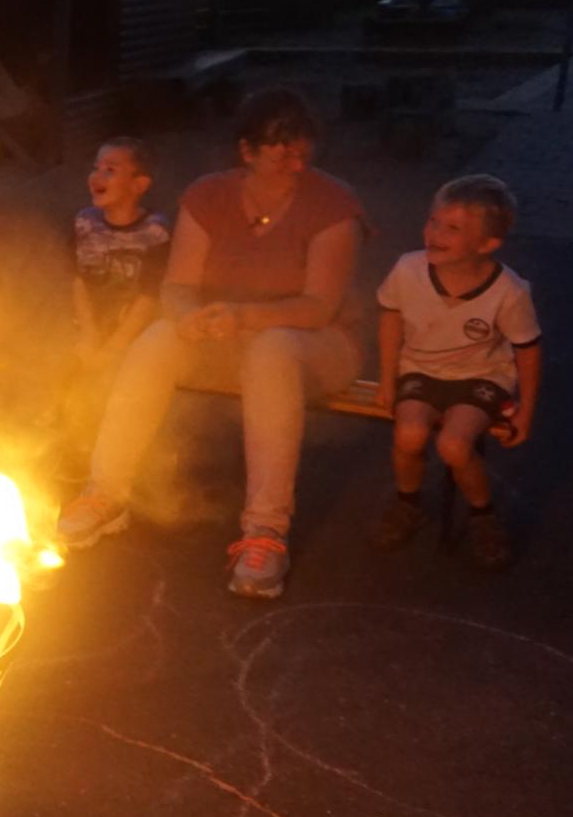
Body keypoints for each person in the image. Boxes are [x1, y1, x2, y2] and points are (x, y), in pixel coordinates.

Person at [54, 89, 367, 600]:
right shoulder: (208, 197)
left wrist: (245, 316)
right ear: (247, 151)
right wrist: (187, 318)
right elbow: (177, 287)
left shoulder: (332, 206)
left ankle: (265, 531)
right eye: (280, 148)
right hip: (229, 336)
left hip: (318, 347)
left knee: (273, 350)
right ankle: (104, 494)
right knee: (159, 338)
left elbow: (320, 307)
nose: (296, 158)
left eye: (301, 145)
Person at [370, 175, 541, 569]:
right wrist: (386, 378)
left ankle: (483, 516)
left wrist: (527, 411)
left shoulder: (509, 291)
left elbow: (528, 350)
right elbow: (391, 316)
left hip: (481, 377)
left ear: (486, 244)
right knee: (409, 433)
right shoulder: (408, 269)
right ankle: (407, 502)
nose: (435, 234)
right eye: (433, 222)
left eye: (452, 228)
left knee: (453, 444)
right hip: (421, 368)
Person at [59, 137, 170, 480]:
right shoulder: (84, 224)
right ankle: (74, 445)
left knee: (124, 376)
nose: (97, 175)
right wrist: (90, 335)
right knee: (69, 368)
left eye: (110, 169)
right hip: (90, 326)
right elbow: (76, 281)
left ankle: (129, 457)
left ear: (139, 184)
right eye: (96, 167)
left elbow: (149, 297)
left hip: (134, 330)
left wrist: (115, 345)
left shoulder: (155, 232)